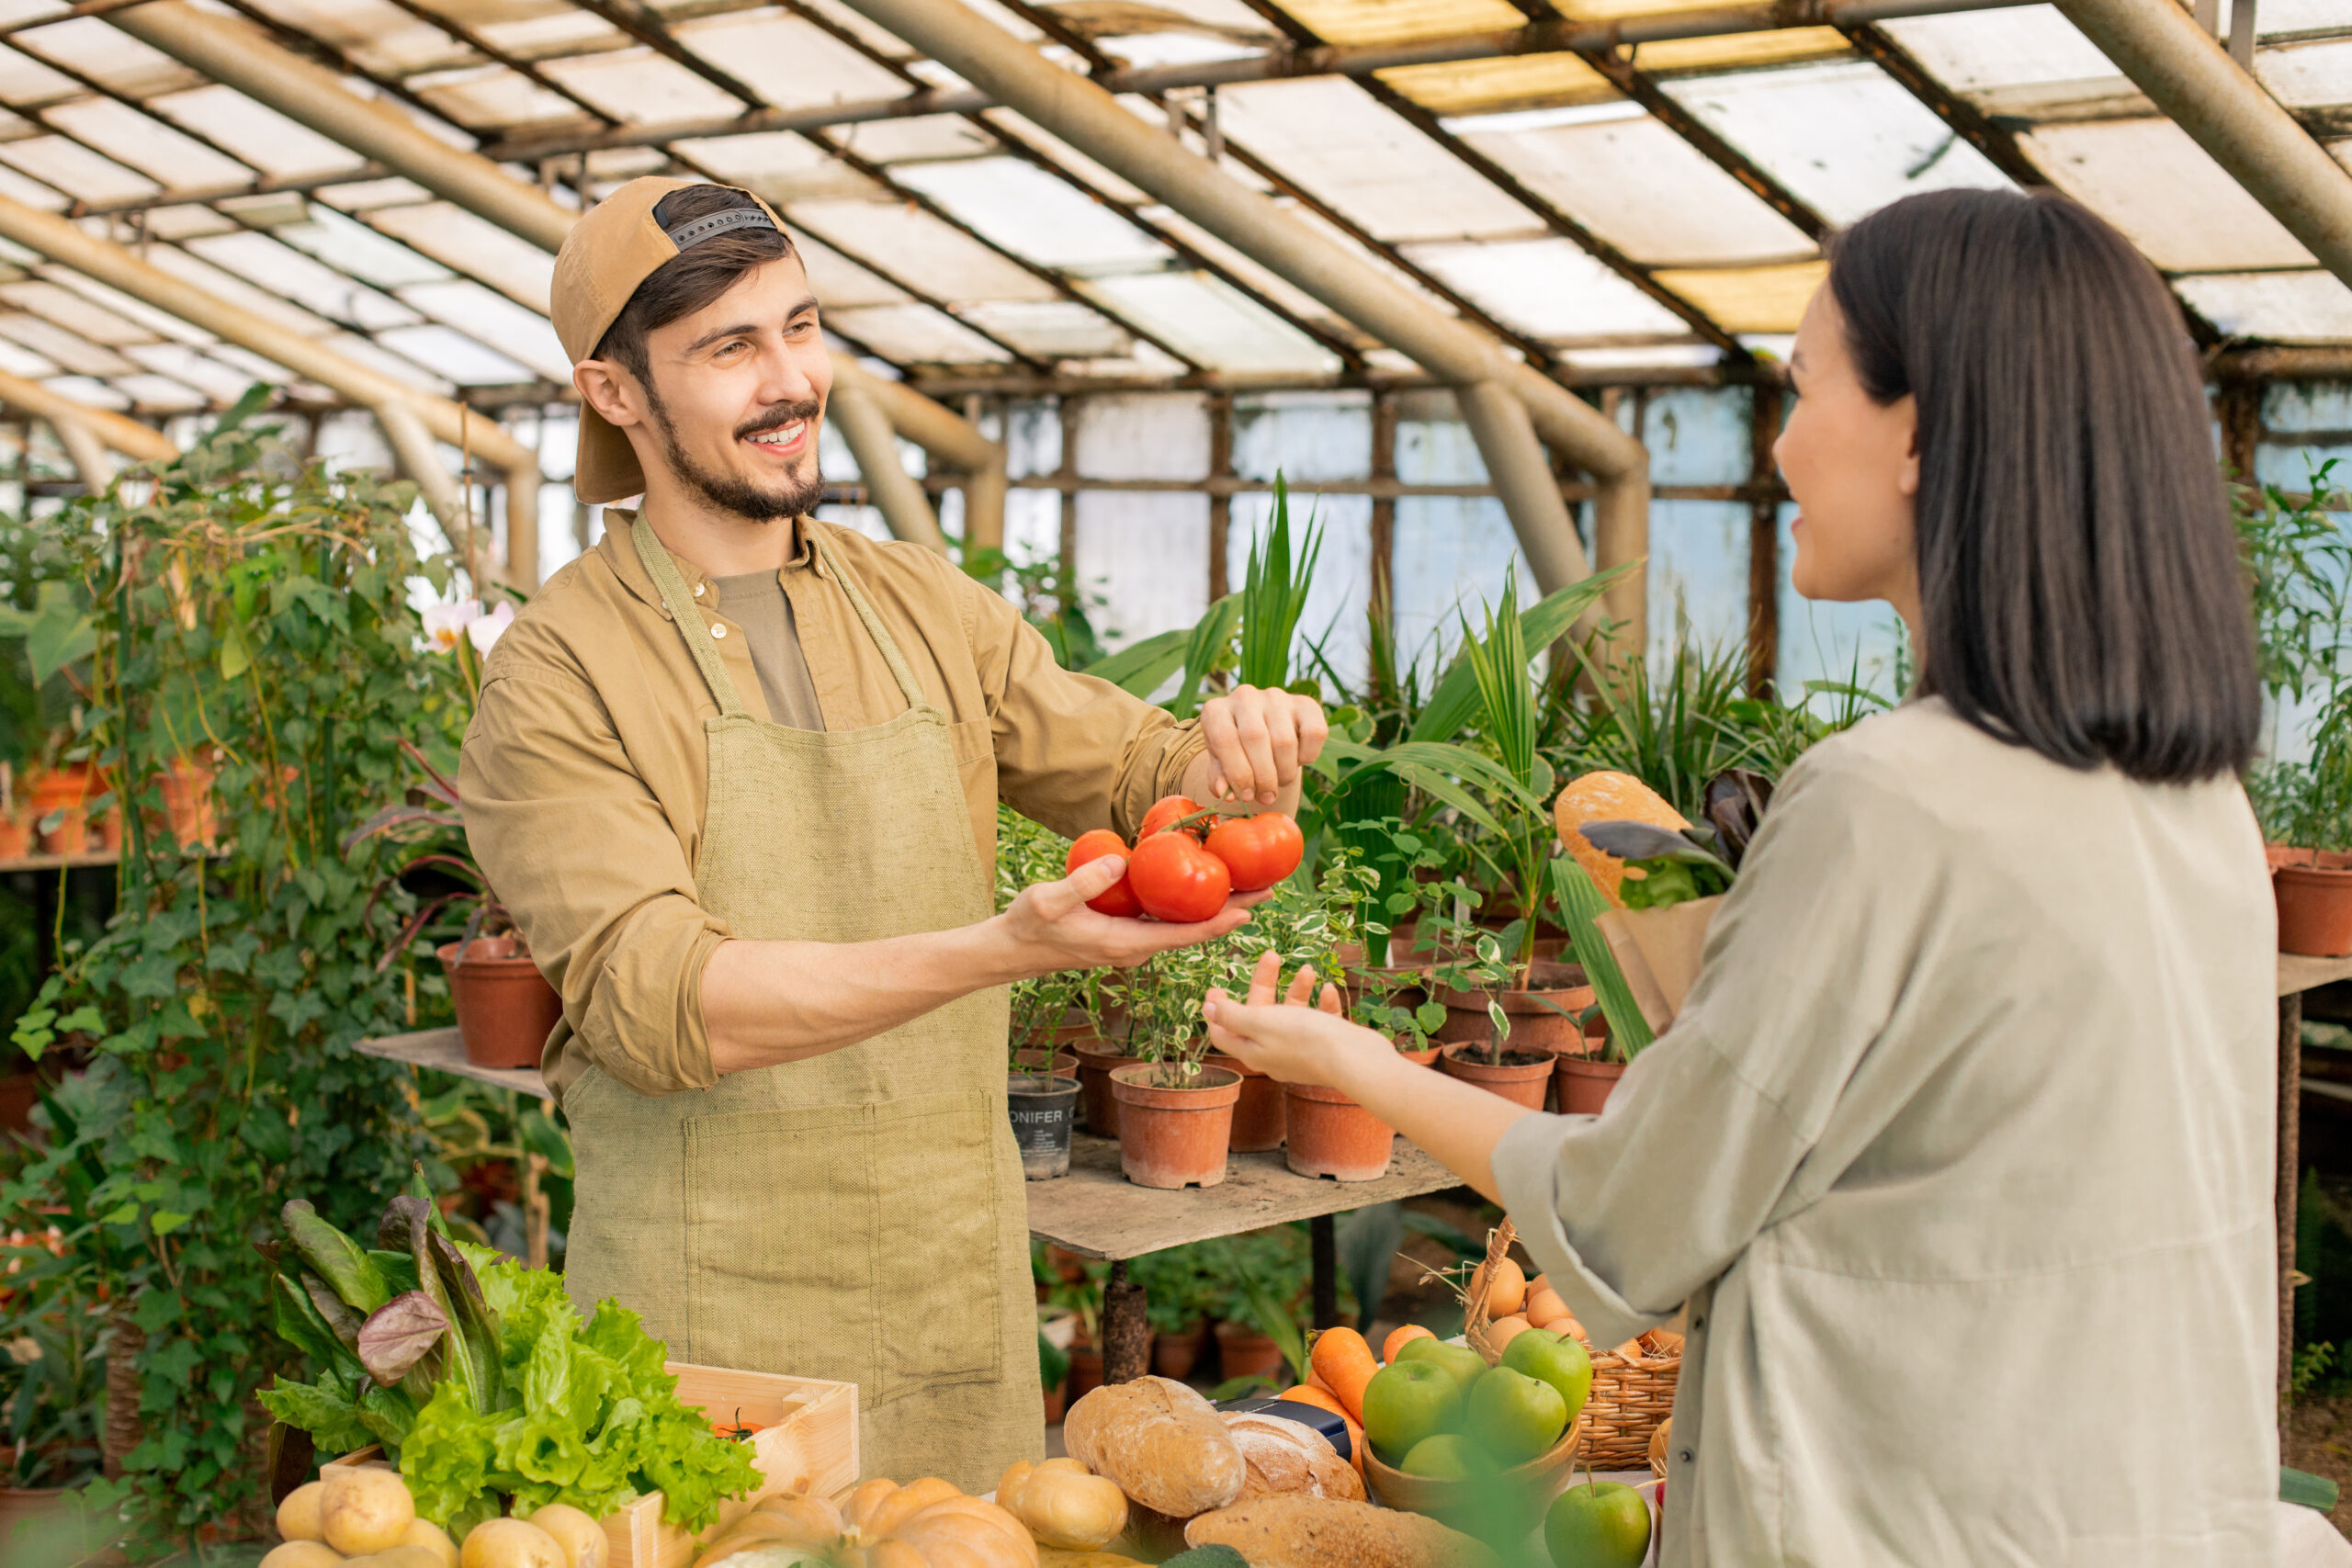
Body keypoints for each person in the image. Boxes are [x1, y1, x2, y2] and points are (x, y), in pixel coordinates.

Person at [1202, 188, 2277, 1565]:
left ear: (1923, 431)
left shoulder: (1889, 802)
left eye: (1806, 387)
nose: (1779, 444)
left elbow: (1629, 1219)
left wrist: (1349, 1057)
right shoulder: (2197, 804)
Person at [459, 176, 1327, 1490]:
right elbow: (664, 1002)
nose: (790, 381)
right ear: (615, 394)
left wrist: (1240, 755)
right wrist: (996, 951)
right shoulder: (560, 670)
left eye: (801, 328)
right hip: (706, 1330)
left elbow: (1141, 772)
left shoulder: (918, 600)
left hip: (946, 1292)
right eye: (729, 348)